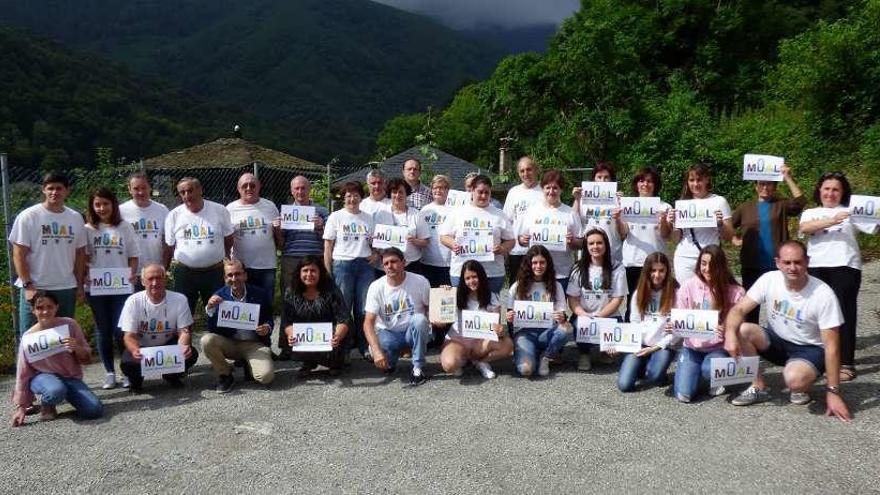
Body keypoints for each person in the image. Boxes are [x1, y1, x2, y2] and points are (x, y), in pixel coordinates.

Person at [723, 241, 851, 421]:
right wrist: (729, 335)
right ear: (778, 262)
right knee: (742, 329)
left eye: (798, 262)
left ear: (807, 261)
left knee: (794, 379)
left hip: (810, 349)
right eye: (787, 262)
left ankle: (802, 382)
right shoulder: (769, 279)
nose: (792, 267)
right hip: (778, 341)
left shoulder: (823, 294)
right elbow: (738, 310)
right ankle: (758, 387)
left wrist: (833, 391)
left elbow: (832, 347)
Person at [799, 172, 876, 382]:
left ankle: (846, 363)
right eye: (826, 188)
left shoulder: (851, 211)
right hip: (815, 267)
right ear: (819, 190)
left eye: (835, 189)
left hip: (845, 266)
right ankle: (820, 359)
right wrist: (832, 220)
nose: (830, 193)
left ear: (842, 193)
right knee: (816, 315)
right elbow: (805, 228)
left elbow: (873, 226)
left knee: (845, 314)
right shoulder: (810, 212)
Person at [10, 171, 86, 335]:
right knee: (31, 339)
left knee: (63, 338)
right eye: (50, 188)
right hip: (37, 288)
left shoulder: (76, 218)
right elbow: (18, 254)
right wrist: (27, 285)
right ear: (43, 190)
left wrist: (79, 285)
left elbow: (80, 254)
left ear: (67, 190)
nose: (54, 192)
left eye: (59, 188)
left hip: (65, 287)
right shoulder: (28, 216)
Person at [11, 291, 103, 426]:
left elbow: (87, 359)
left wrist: (77, 347)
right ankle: (47, 403)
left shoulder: (70, 325)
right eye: (40, 308)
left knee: (94, 410)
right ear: (33, 311)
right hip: (42, 378)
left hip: (70, 378)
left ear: (56, 307)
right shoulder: (28, 337)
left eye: (49, 307)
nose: (45, 312)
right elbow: (22, 373)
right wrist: (21, 407)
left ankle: (66, 395)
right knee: (55, 390)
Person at [732, 163, 805, 323]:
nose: (765, 187)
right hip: (752, 266)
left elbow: (800, 202)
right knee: (750, 310)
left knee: (780, 309)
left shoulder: (781, 205)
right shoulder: (745, 208)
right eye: (761, 184)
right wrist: (733, 238)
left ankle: (781, 342)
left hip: (777, 266)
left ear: (775, 186)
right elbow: (727, 225)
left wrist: (787, 177)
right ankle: (751, 343)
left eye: (769, 184)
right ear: (755, 186)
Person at [672, 245, 744, 403]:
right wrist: (674, 326)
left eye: (712, 264)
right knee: (683, 395)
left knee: (708, 369)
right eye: (703, 263)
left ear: (721, 266)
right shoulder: (688, 286)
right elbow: (680, 316)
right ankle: (692, 373)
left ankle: (717, 377)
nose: (707, 268)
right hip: (692, 348)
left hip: (717, 348)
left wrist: (726, 328)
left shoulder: (735, 291)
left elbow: (739, 324)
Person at [84, 187, 139, 390]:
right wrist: (85, 275)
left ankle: (127, 371)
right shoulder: (88, 229)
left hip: (121, 286)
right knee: (102, 330)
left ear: (113, 205)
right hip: (96, 288)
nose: (101, 208)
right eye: (97, 204)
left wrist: (132, 273)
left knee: (120, 330)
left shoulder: (124, 227)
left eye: (105, 204)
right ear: (92, 206)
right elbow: (84, 257)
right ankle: (109, 372)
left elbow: (133, 255)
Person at [119, 264, 199, 392]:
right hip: (143, 347)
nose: (155, 283)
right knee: (127, 362)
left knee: (190, 354)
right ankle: (136, 381)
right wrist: (135, 350)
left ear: (165, 280)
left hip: (167, 344)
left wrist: (182, 347)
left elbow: (184, 331)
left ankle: (171, 375)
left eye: (159, 278)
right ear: (143, 281)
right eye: (150, 279)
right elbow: (129, 335)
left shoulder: (179, 299)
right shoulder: (133, 301)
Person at [202, 258, 275, 393]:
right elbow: (212, 330)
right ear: (225, 278)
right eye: (230, 275)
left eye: (238, 274)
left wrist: (267, 328)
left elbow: (269, 319)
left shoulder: (260, 293)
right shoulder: (218, 296)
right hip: (229, 342)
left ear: (245, 275)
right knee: (206, 340)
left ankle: (248, 364)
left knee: (266, 377)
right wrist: (210, 309)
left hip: (254, 343)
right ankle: (225, 374)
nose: (234, 278)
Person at [164, 177, 234, 314]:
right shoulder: (174, 215)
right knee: (183, 314)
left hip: (215, 272)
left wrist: (222, 257)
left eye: (190, 191)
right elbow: (169, 246)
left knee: (218, 312)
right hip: (185, 273)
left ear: (200, 190)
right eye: (182, 192)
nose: (187, 196)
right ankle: (185, 336)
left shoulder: (219, 210)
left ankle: (215, 336)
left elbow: (229, 238)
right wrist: (164, 268)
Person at [363, 248, 432, 385]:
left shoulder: (420, 281)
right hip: (389, 334)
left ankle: (418, 368)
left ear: (404, 262)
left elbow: (432, 308)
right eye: (386, 263)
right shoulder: (376, 287)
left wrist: (443, 298)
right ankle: (391, 362)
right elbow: (368, 323)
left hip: (411, 332)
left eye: (393, 261)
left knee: (420, 320)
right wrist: (376, 352)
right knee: (385, 352)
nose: (389, 266)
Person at [278, 175, 329, 360]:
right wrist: (277, 229)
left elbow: (330, 239)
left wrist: (321, 227)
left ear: (309, 190)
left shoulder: (322, 211)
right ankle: (286, 345)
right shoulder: (285, 213)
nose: (300, 192)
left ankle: (319, 343)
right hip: (291, 258)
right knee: (289, 300)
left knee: (319, 299)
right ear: (292, 191)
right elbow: (281, 244)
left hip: (316, 258)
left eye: (303, 188)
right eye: (296, 189)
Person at [323, 181, 377, 358]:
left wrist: (376, 255)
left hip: (364, 267)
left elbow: (376, 242)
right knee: (343, 309)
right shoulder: (336, 217)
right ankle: (343, 349)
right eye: (348, 196)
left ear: (361, 197)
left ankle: (365, 347)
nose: (352, 199)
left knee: (363, 310)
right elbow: (328, 246)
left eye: (355, 195)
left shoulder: (368, 218)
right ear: (343, 198)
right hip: (342, 265)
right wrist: (327, 270)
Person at [439, 174, 515, 295]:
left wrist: (502, 248)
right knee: (463, 310)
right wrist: (453, 244)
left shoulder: (499, 214)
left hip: (492, 273)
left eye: (487, 192)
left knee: (490, 311)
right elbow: (443, 236)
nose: (484, 196)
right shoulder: (457, 212)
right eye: (480, 192)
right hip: (462, 272)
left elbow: (511, 240)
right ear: (472, 191)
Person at [567, 229, 628, 371]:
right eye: (591, 243)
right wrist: (583, 315)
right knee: (577, 325)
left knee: (614, 351)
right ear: (586, 247)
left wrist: (598, 317)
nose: (595, 246)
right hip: (585, 315)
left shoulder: (617, 267)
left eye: (599, 243)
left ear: (606, 245)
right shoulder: (578, 267)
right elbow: (573, 299)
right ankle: (584, 353)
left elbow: (617, 299)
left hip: (608, 316)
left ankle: (604, 349)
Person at [439, 260, 513, 379]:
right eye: (467, 278)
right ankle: (462, 360)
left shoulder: (493, 297)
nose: (471, 281)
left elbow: (500, 329)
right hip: (458, 340)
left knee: (508, 344)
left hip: (480, 344)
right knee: (449, 365)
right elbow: (441, 320)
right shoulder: (455, 295)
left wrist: (500, 330)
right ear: (463, 280)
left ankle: (481, 362)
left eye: (474, 277)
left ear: (481, 277)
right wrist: (443, 294)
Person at [507, 245, 571, 377]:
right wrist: (509, 318)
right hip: (525, 334)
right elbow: (510, 316)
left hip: (546, 332)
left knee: (568, 329)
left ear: (548, 264)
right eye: (534, 262)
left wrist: (561, 317)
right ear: (528, 264)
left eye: (542, 262)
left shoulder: (556, 285)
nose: (538, 266)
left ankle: (546, 357)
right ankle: (529, 353)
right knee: (526, 370)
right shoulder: (517, 286)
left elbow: (563, 315)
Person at [617, 252, 677, 392]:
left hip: (662, 345)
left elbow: (676, 332)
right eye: (653, 270)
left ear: (667, 271)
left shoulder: (675, 293)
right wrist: (634, 345)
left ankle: (657, 372)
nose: (657, 274)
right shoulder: (639, 293)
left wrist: (654, 348)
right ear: (647, 271)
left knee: (654, 377)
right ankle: (642, 364)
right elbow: (634, 322)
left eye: (661, 270)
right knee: (624, 385)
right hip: (640, 343)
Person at [282, 255, 351, 377]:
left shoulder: (332, 290)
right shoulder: (290, 292)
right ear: (299, 273)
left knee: (340, 336)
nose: (309, 274)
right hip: (305, 335)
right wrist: (291, 334)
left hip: (331, 332)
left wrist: (338, 336)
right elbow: (287, 321)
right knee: (292, 337)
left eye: (313, 270)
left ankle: (335, 363)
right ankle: (308, 362)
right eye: (305, 270)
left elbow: (343, 319)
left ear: (320, 273)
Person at [515, 169, 582, 291]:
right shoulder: (531, 211)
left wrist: (572, 241)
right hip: (536, 273)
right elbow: (520, 239)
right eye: (547, 188)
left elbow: (580, 243)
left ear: (561, 190)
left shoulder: (570, 213)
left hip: (562, 273)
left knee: (559, 309)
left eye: (555, 188)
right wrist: (522, 239)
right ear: (543, 189)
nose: (551, 191)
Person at [620, 167, 672, 321]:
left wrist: (663, 220)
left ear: (655, 185)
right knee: (633, 302)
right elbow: (623, 233)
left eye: (650, 181)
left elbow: (666, 235)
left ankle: (653, 336)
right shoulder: (627, 205)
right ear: (636, 184)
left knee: (655, 302)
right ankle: (632, 335)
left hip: (656, 263)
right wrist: (617, 218)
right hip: (633, 261)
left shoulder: (664, 206)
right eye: (641, 180)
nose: (645, 184)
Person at [668, 163, 734, 284]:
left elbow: (729, 236)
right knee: (686, 297)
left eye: (699, 180)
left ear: (707, 179)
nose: (695, 184)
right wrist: (672, 224)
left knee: (712, 297)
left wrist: (720, 224)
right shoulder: (683, 204)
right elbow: (676, 238)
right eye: (691, 180)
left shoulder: (719, 201)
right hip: (685, 258)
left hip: (711, 258)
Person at [227, 172, 281, 298]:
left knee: (266, 303)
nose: (248, 188)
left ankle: (266, 319)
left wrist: (278, 229)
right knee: (242, 303)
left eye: (252, 185)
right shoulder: (230, 209)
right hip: (241, 267)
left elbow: (278, 236)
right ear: (238, 188)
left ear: (259, 186)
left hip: (266, 266)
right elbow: (226, 237)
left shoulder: (270, 206)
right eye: (244, 186)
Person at [120, 171, 169, 287]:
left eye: (144, 188)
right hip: (130, 273)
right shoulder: (120, 211)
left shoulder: (162, 210)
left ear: (150, 188)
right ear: (129, 189)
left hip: (154, 273)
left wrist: (164, 266)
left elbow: (167, 242)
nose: (141, 192)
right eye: (136, 188)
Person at [572, 162, 626, 264]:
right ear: (594, 179)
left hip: (613, 252)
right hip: (589, 253)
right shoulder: (583, 198)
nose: (603, 180)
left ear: (612, 180)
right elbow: (574, 220)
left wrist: (622, 203)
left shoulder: (617, 199)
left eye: (606, 177)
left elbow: (624, 233)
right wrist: (577, 199)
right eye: (599, 177)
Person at [503, 156, 544, 282]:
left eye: (529, 169)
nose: (526, 174)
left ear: (536, 170)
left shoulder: (545, 191)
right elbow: (507, 222)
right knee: (517, 288)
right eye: (522, 171)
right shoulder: (514, 192)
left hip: (540, 251)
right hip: (517, 251)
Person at [380, 177, 430, 271]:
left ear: (406, 194)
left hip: (411, 264)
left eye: (401, 192)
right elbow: (376, 238)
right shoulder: (382, 214)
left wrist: (414, 240)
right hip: (389, 265)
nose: (397, 195)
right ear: (390, 194)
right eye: (394, 192)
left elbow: (425, 242)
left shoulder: (416, 214)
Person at [417, 175, 453, 287]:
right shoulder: (425, 210)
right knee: (429, 298)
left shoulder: (455, 210)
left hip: (448, 263)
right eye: (435, 187)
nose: (438, 190)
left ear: (447, 190)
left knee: (446, 300)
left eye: (442, 187)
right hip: (427, 262)